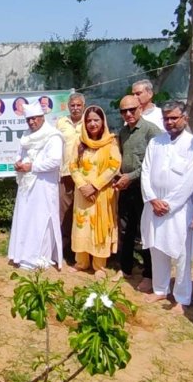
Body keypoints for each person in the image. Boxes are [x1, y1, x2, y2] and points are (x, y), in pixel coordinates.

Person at [140, 101, 193, 312]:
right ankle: (160, 289)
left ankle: (182, 298)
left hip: (179, 208)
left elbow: (191, 178)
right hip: (154, 204)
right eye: (166, 118)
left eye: (174, 118)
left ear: (184, 118)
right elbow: (145, 172)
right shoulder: (156, 142)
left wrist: (169, 204)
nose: (169, 122)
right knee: (157, 247)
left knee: (182, 252)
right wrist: (151, 198)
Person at [113, 95, 162, 292]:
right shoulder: (123, 132)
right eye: (124, 111)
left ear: (140, 108)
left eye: (132, 109)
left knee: (145, 233)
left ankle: (149, 274)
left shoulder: (152, 131)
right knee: (126, 229)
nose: (128, 114)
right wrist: (118, 174)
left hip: (145, 190)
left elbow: (153, 164)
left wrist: (130, 176)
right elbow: (120, 157)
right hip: (126, 188)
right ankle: (125, 268)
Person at [8, 103, 64, 270]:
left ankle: (40, 257)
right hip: (26, 184)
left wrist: (32, 166)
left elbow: (54, 161)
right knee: (25, 219)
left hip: (44, 185)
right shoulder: (26, 135)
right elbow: (19, 154)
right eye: (28, 119)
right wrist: (18, 163)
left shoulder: (53, 135)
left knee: (41, 220)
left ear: (42, 117)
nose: (31, 122)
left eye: (34, 118)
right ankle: (22, 255)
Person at [69, 106, 121, 278]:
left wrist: (95, 185)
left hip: (101, 194)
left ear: (102, 122)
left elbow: (114, 165)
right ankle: (81, 262)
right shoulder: (79, 142)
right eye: (89, 120)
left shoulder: (110, 142)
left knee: (100, 226)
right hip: (83, 194)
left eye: (96, 120)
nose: (92, 124)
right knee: (82, 226)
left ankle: (99, 266)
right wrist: (83, 186)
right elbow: (73, 165)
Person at [56, 92, 85, 264]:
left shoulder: (89, 121)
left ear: (84, 106)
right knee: (64, 213)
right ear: (68, 107)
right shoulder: (61, 123)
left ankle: (81, 251)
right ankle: (64, 250)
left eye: (78, 105)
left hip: (84, 176)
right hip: (65, 174)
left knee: (81, 213)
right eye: (72, 105)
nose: (75, 108)